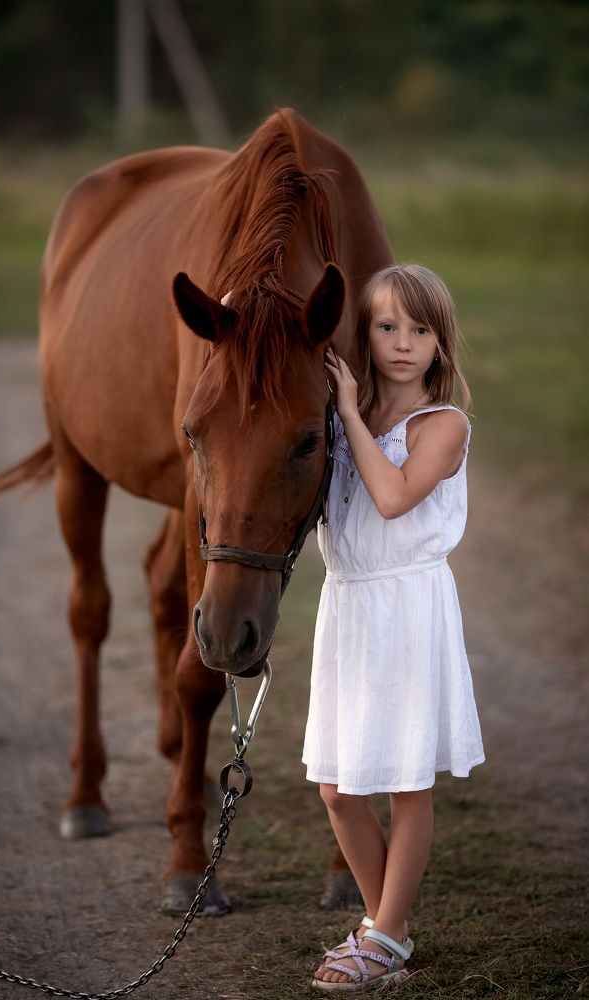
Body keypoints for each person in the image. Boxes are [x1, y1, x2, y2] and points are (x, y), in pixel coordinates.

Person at [303, 263, 485, 991]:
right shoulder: (340, 413)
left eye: (420, 329)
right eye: (386, 327)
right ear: (364, 334)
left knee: (406, 782)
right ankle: (387, 931)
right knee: (339, 789)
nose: (403, 343)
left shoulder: (442, 426)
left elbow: (391, 499)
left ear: (441, 343)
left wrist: (348, 411)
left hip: (409, 607)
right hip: (347, 606)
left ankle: (382, 937)